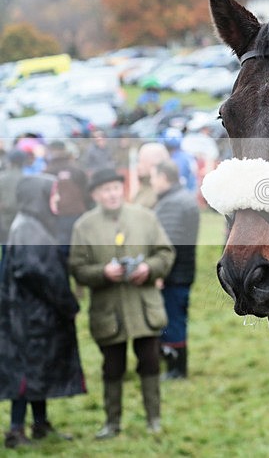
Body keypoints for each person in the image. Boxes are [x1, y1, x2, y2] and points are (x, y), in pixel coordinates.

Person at [68, 168, 175, 438]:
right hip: (108, 311)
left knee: (150, 363)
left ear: (122, 189)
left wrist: (148, 269)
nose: (112, 193)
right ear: (95, 195)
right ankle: (111, 423)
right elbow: (77, 268)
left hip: (144, 308)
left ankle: (154, 420)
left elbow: (165, 253)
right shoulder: (83, 226)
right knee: (112, 368)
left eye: (115, 187)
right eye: (105, 190)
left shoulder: (145, 218)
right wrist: (102, 273)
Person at [0, 174, 85, 448]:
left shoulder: (32, 225)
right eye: (53, 194)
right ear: (39, 198)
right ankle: (15, 430)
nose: (58, 199)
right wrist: (68, 305)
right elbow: (43, 274)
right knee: (25, 373)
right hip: (29, 318)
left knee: (37, 370)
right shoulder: (29, 229)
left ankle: (40, 424)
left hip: (33, 316)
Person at [151, 160, 199, 379]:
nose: (151, 183)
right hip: (182, 273)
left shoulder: (173, 203)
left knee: (173, 321)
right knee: (176, 319)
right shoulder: (180, 199)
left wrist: (160, 273)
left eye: (153, 178)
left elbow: (169, 243)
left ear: (163, 177)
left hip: (174, 275)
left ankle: (176, 370)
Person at [132, 142, 171, 208]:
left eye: (141, 161)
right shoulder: (145, 184)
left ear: (154, 164)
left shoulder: (161, 192)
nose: (138, 166)